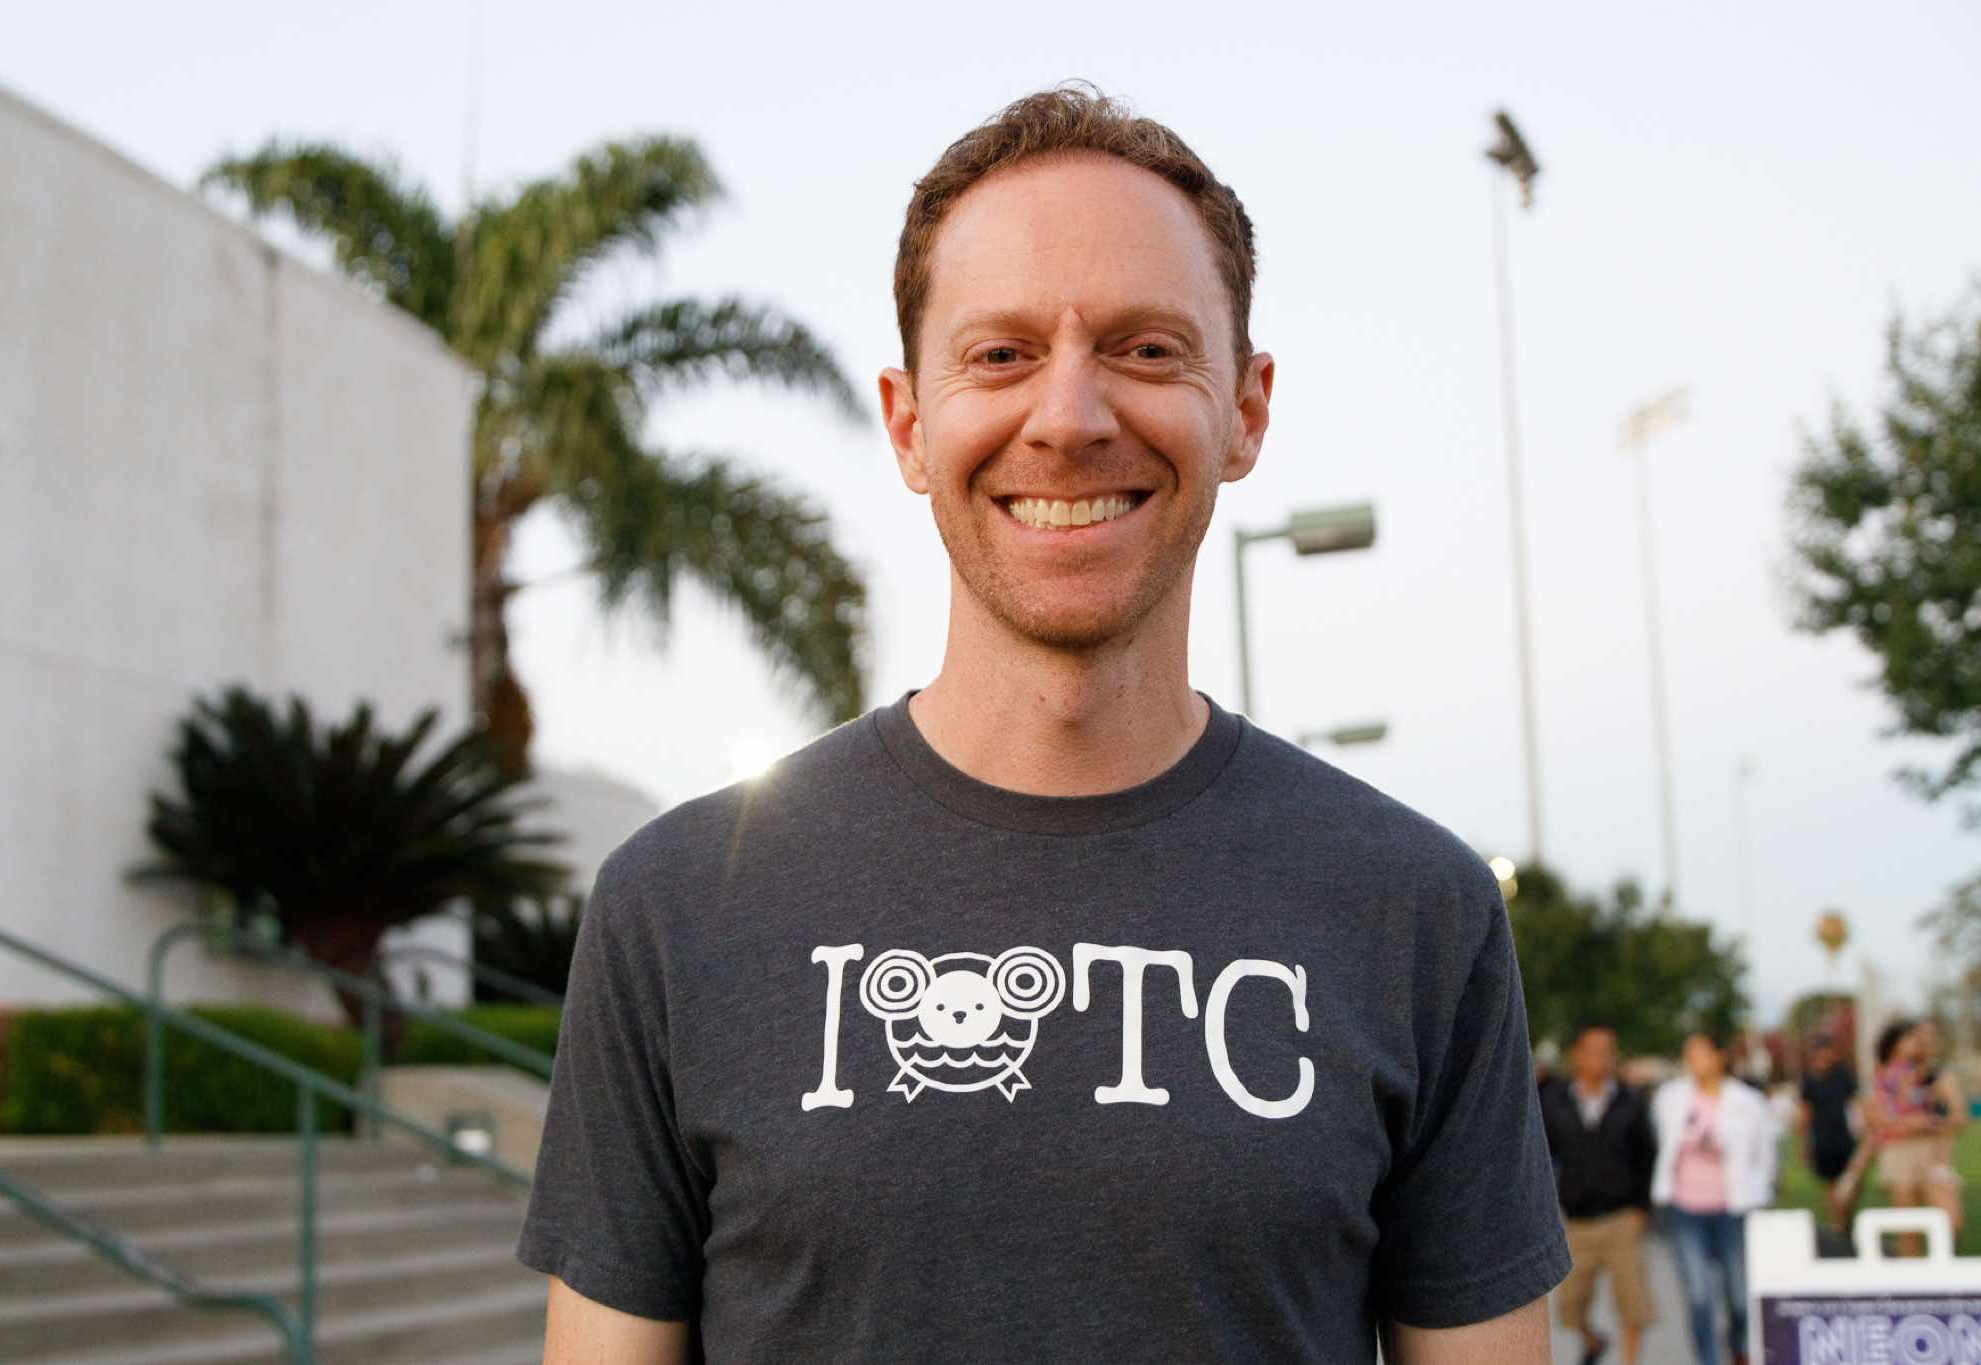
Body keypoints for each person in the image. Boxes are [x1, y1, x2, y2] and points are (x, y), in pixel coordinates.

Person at [516, 85, 1570, 1363]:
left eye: (1145, 349)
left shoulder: (1416, 912)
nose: (1068, 418)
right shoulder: (677, 908)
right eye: (1001, 355)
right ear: (909, 423)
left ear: (1245, 409)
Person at [1650, 1029, 1776, 1365]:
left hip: (1733, 1208)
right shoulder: (1671, 1098)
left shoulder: (1748, 1102)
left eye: (1702, 1052)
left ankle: (1739, 1347)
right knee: (1699, 1296)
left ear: (1720, 1056)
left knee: (1739, 1296)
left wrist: (1761, 1193)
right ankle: (1707, 1359)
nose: (1695, 1060)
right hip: (1685, 1209)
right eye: (1689, 1053)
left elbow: (1765, 1156)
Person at [1539, 1024, 1657, 1365]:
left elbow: (1647, 1155)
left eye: (1607, 1050)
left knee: (1632, 1303)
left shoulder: (1630, 1101)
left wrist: (1642, 1207)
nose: (1600, 1058)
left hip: (1621, 1216)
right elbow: (1540, 1155)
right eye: (1592, 1050)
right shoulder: (1555, 1101)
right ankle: (1592, 1340)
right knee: (1569, 1306)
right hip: (1577, 1220)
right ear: (1577, 1054)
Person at [1865, 1016, 1967, 1249]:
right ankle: (1911, 1270)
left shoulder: (1936, 1077)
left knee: (1950, 1222)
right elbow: (1876, 1119)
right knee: (1907, 1227)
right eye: (1913, 1037)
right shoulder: (1884, 1078)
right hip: (1898, 1153)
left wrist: (1928, 1123)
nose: (1920, 1042)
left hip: (1934, 1154)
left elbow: (1958, 1117)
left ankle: (1943, 1268)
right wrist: (1907, 1124)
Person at [1795, 1032, 1858, 1225]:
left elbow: (1855, 1105)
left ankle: (1846, 1222)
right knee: (1831, 1186)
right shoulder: (1809, 1080)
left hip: (1845, 1139)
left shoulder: (1843, 1076)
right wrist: (1804, 1143)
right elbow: (1805, 1113)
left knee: (1850, 1184)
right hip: (1823, 1141)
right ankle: (1837, 1224)